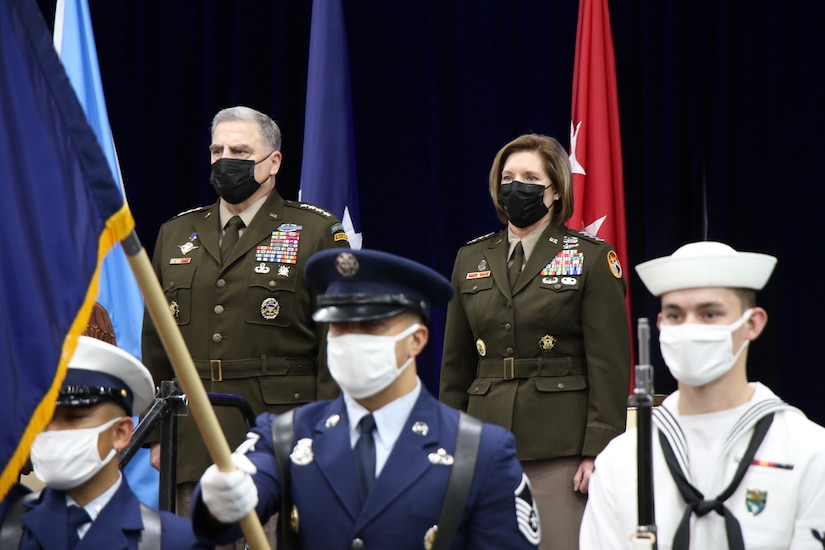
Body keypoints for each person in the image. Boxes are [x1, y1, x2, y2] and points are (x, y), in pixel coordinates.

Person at [189, 248, 542, 549]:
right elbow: (228, 514)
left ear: (416, 340)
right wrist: (219, 498)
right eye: (340, 327)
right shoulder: (287, 435)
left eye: (371, 326)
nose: (349, 339)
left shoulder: (481, 452)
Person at [140, 106, 349, 530]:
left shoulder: (314, 231)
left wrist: (326, 432)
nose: (224, 160)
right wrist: (156, 430)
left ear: (273, 162)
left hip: (279, 432)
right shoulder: (177, 233)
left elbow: (337, 344)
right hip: (193, 433)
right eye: (217, 150)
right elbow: (156, 342)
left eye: (239, 150)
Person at [439, 133, 631, 550]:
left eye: (528, 177)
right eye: (507, 178)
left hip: (559, 446)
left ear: (556, 192)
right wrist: (448, 442)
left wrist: (597, 449)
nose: (514, 187)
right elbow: (455, 363)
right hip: (483, 440)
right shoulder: (470, 258)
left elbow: (610, 364)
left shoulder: (591, 258)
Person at [580, 241, 825, 549]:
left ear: (752, 323)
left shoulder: (808, 451)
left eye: (709, 314)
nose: (689, 328)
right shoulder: (622, 459)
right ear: (659, 325)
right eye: (675, 316)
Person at [0, 336, 209, 549]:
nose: (53, 431)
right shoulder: (8, 522)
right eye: (43, 419)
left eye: (74, 418)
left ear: (121, 433)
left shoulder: (176, 541)